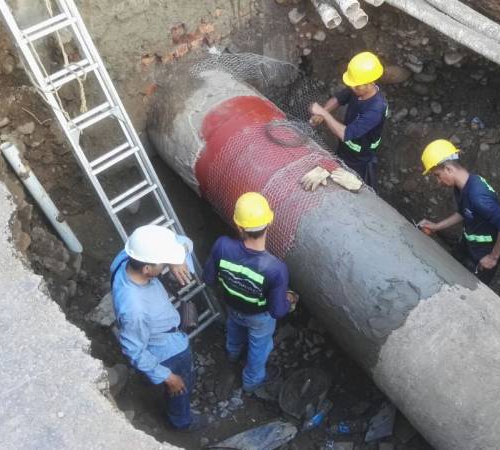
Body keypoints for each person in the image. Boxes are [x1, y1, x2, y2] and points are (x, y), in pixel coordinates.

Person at [110, 225, 206, 431]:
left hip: (161, 331)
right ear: (147, 269)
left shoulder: (125, 258)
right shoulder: (134, 310)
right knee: (180, 387)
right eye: (162, 264)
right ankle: (181, 421)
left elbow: (184, 240)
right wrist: (168, 377)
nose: (165, 267)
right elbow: (133, 350)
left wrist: (176, 260)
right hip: (168, 351)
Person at [203, 192, 298, 398]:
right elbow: (276, 311)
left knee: (234, 330)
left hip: (232, 307)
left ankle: (232, 354)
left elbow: (209, 278)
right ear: (269, 224)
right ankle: (251, 382)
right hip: (259, 319)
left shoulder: (221, 245)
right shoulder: (276, 269)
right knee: (259, 348)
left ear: (239, 226)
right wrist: (288, 299)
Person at [418, 139, 500, 285]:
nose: (438, 181)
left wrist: (493, 257)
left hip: (484, 254)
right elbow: (464, 212)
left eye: (437, 175)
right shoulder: (464, 185)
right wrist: (436, 227)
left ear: (449, 169)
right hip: (468, 242)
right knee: (452, 266)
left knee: (470, 286)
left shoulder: (478, 196)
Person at [307, 51, 388, 189]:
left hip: (359, 158)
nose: (352, 88)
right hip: (344, 149)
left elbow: (346, 134)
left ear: (370, 83)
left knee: (349, 184)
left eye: (356, 85)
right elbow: (339, 99)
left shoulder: (376, 109)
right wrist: (323, 112)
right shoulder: (358, 88)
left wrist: (324, 114)